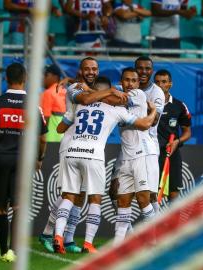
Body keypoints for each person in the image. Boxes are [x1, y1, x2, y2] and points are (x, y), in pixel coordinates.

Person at [53, 76, 157, 254]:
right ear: (110, 91)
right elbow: (145, 124)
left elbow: (61, 128)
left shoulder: (81, 104)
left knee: (69, 197)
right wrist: (153, 111)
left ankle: (58, 236)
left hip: (72, 151)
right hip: (93, 155)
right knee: (95, 200)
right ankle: (88, 243)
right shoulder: (115, 109)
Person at [39, 57, 128, 253]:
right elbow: (88, 99)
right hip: (71, 144)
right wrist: (108, 91)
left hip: (85, 145)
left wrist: (75, 81)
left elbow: (110, 93)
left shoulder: (89, 87)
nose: (90, 72)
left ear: (97, 71)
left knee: (77, 197)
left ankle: (68, 238)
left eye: (94, 69)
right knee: (69, 194)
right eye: (86, 69)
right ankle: (48, 232)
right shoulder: (75, 89)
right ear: (81, 70)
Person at [0, 63, 48, 262]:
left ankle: (3, 251)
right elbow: (43, 139)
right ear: (25, 78)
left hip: (0, 158)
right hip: (23, 161)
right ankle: (15, 250)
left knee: (0, 206)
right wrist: (39, 158)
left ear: (7, 79)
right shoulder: (33, 106)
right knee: (18, 206)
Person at [113, 67, 158, 244]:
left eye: (133, 80)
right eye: (126, 80)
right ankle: (117, 246)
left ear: (138, 83)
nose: (130, 84)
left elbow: (107, 95)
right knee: (122, 202)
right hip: (125, 156)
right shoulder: (119, 94)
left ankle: (153, 241)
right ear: (121, 81)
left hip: (142, 155)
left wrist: (88, 90)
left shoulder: (138, 94)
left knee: (143, 200)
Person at [134, 56, 165, 214]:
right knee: (115, 191)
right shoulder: (129, 87)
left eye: (147, 68)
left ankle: (157, 232)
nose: (143, 72)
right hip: (129, 147)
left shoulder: (156, 92)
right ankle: (128, 235)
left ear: (152, 70)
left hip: (148, 148)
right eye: (140, 68)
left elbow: (154, 120)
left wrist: (139, 100)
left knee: (150, 195)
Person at [154, 69, 191, 201]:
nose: (160, 85)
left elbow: (187, 132)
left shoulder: (179, 106)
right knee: (152, 193)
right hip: (152, 153)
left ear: (170, 84)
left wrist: (177, 142)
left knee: (173, 193)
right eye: (157, 82)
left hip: (172, 153)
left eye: (164, 82)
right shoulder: (147, 104)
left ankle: (172, 222)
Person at [40, 64, 66, 142]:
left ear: (55, 77)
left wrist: (41, 139)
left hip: (50, 138)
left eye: (46, 75)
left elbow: (45, 119)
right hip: (63, 139)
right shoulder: (64, 91)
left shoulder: (48, 93)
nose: (43, 78)